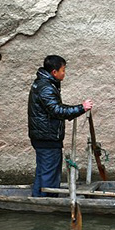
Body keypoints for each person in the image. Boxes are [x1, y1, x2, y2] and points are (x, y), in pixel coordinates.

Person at [28, 55, 93, 197]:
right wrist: (81, 108)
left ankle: (37, 200)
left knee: (43, 171)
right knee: (49, 174)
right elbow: (57, 110)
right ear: (54, 72)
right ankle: (47, 204)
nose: (64, 73)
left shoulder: (42, 84)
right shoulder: (46, 88)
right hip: (47, 138)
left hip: (43, 137)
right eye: (63, 70)